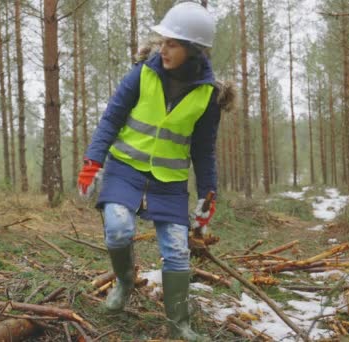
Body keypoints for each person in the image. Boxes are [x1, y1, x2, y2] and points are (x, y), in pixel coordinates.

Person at [77, 2, 234, 341]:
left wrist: (209, 195)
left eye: (172, 44)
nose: (163, 48)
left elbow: (204, 151)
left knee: (177, 250)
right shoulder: (142, 73)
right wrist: (93, 160)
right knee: (118, 228)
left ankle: (179, 323)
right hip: (124, 170)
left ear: (193, 49)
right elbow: (112, 118)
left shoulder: (208, 95)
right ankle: (123, 281)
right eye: (163, 41)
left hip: (169, 181)